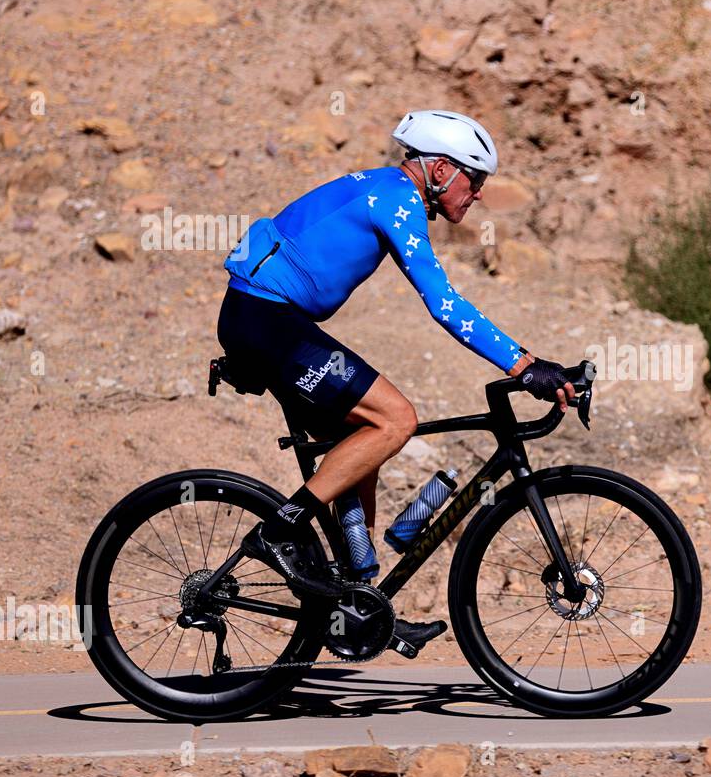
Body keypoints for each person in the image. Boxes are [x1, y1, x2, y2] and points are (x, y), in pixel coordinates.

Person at [216, 109, 575, 652]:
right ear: (438, 170)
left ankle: (357, 600)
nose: (477, 195)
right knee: (395, 418)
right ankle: (280, 532)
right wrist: (525, 365)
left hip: (265, 318)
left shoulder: (385, 189)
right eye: (474, 180)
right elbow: (445, 304)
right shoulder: (397, 199)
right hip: (267, 320)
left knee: (361, 445)